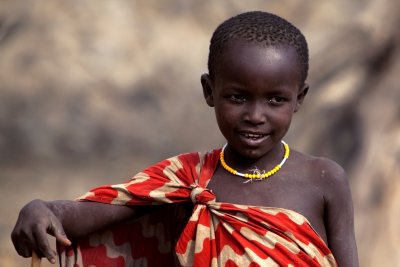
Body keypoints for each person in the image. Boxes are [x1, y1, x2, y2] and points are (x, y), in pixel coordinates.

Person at [11, 11, 358, 267]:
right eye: (237, 97)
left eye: (275, 100)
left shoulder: (324, 180)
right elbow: (86, 215)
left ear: (300, 97)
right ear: (209, 91)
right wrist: (40, 209)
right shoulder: (186, 180)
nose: (255, 115)